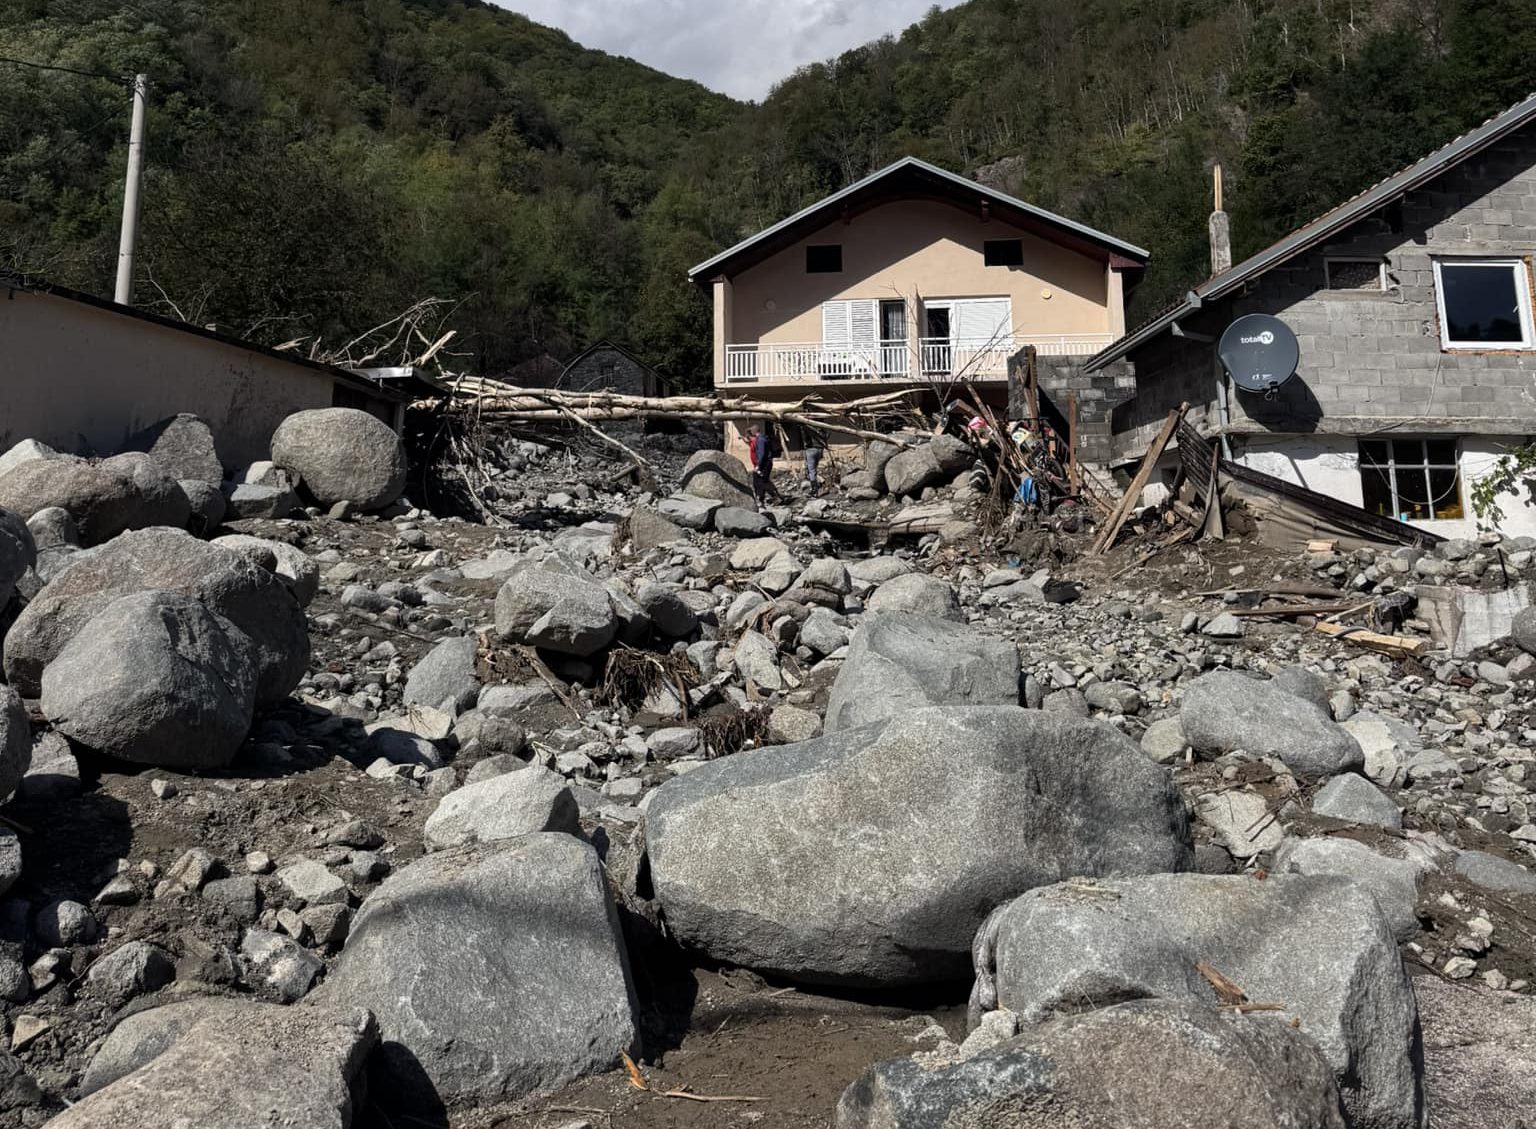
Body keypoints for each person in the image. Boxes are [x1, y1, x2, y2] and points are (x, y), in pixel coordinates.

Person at [747, 423, 780, 509]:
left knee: (762, 481)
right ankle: (761, 499)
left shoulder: (761, 440)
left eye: (751, 431)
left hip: (764, 463)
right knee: (758, 479)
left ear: (754, 431)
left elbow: (761, 453)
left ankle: (774, 496)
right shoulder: (761, 438)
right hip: (765, 462)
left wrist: (758, 465)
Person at [802, 427, 825, 496]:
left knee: (811, 470)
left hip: (811, 450)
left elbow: (806, 440)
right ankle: (815, 486)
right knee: (814, 469)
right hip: (820, 450)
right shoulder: (820, 429)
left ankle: (814, 490)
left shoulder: (807, 429)